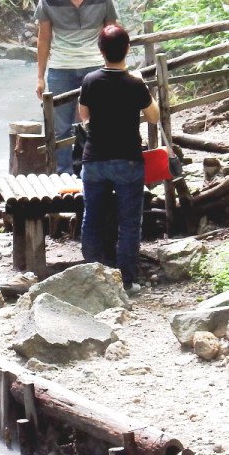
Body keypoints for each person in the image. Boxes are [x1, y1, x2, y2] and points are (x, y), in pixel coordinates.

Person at [77, 25, 160, 293]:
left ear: (101, 51)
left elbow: (83, 115)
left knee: (92, 218)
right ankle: (126, 281)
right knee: (129, 223)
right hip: (128, 160)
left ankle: (92, 277)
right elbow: (154, 116)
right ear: (127, 49)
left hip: (95, 160)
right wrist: (141, 83)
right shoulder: (134, 83)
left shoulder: (90, 80)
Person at [35, 0, 119, 174]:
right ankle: (63, 173)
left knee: (100, 120)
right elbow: (43, 39)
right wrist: (40, 77)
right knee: (60, 126)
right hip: (61, 66)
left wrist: (117, 67)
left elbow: (112, 32)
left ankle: (97, 169)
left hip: (95, 65)